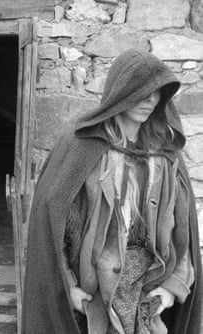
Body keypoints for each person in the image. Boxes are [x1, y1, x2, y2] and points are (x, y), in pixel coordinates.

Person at [22, 49, 202, 334]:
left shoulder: (165, 154)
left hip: (150, 290)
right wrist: (67, 286)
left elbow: (183, 232)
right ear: (121, 92)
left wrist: (173, 287)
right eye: (142, 92)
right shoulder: (81, 145)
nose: (151, 100)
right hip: (95, 290)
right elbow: (54, 221)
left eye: (157, 93)